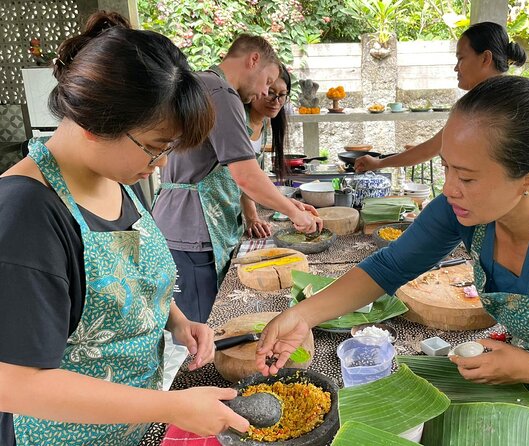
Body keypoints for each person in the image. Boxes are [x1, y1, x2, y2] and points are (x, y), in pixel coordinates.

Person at [257, 76, 529, 444]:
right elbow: (389, 268)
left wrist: (528, 367)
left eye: (467, 177)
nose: (450, 189)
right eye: (446, 169)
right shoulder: (464, 210)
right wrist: (303, 316)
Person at [0, 12, 248, 446]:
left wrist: (176, 321)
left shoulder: (116, 180)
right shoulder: (25, 214)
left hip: (127, 426)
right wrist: (172, 407)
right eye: (154, 147)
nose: (162, 164)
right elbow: (15, 383)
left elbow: (123, 282)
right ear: (98, 122)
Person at [152, 36, 321, 324]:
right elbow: (245, 175)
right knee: (204, 327)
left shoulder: (203, 83)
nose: (264, 92)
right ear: (253, 59)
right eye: (267, 81)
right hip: (194, 226)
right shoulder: (220, 92)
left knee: (200, 324)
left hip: (182, 224)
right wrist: (294, 213)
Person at [354, 21, 526, 173]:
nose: (456, 68)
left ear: (485, 58)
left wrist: (379, 163)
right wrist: (379, 163)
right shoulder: (519, 95)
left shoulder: (478, 107)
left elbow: (429, 149)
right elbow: (431, 148)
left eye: (461, 59)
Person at [240, 64, 292, 239]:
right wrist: (292, 210)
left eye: (282, 95)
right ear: (257, 88)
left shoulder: (264, 125)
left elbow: (249, 178)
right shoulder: (239, 120)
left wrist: (252, 218)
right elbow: (245, 178)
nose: (276, 101)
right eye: (270, 92)